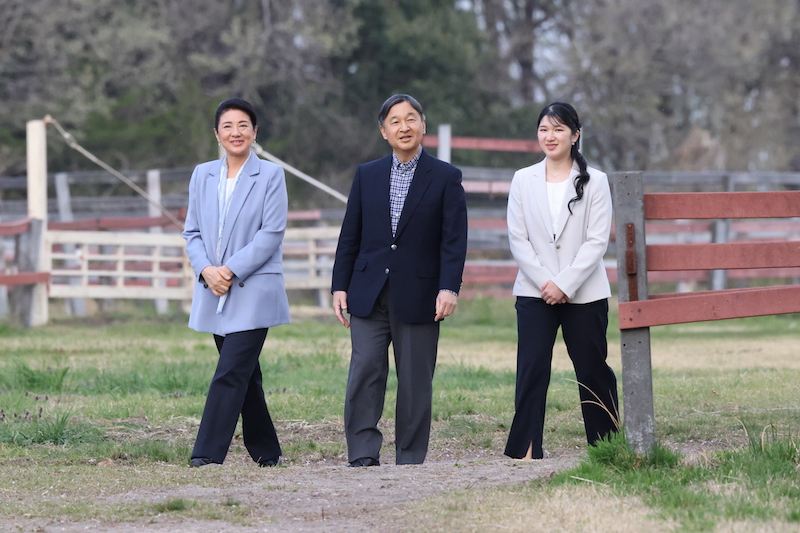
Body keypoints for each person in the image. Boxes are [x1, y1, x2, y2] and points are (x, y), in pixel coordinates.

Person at [331, 94, 468, 466]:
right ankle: (361, 451)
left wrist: (448, 287)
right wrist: (339, 286)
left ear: (423, 126)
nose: (403, 127)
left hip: (421, 293)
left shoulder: (445, 177)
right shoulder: (367, 175)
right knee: (365, 371)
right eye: (395, 121)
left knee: (414, 380)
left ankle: (409, 455)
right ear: (383, 131)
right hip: (367, 291)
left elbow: (454, 240)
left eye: (411, 119)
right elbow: (350, 236)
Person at [504, 102, 619, 460]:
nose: (549, 136)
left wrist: (565, 284)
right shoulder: (523, 179)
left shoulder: (596, 181)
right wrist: (546, 283)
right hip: (534, 292)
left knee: (592, 369)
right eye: (543, 129)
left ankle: (607, 447)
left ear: (575, 135)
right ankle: (524, 449)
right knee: (531, 369)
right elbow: (517, 239)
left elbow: (597, 241)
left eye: (557, 129)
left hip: (584, 293)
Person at [182, 98, 290, 467]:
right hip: (214, 290)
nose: (236, 132)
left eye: (243, 125)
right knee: (246, 375)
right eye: (228, 126)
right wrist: (206, 271)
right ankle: (267, 451)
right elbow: (192, 231)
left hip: (253, 290)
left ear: (255, 132)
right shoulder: (203, 174)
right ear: (217, 134)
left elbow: (271, 233)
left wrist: (228, 270)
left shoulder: (271, 176)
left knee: (229, 372)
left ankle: (207, 453)